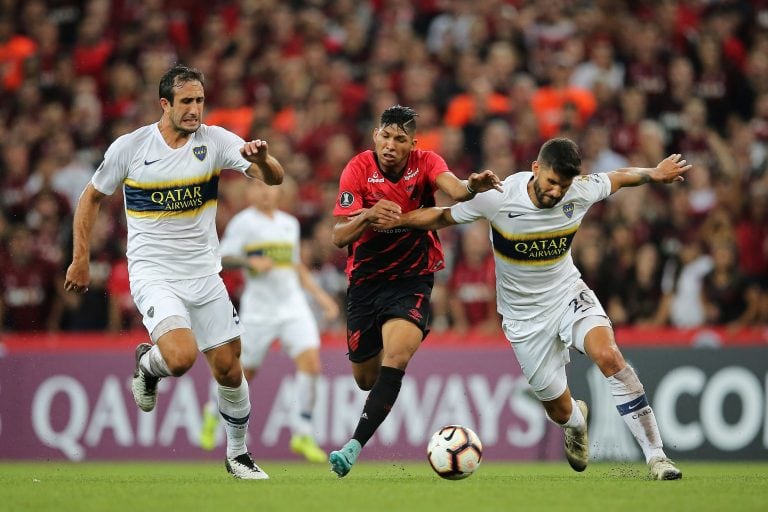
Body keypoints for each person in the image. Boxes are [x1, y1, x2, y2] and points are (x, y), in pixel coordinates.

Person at [375, 137, 687, 481]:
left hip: (568, 294)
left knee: (610, 357)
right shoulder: (499, 197)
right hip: (523, 320)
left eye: (563, 185)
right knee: (559, 408)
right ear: (536, 169)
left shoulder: (578, 191)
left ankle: (657, 458)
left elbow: (620, 176)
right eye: (552, 182)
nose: (556, 192)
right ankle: (575, 423)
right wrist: (399, 220)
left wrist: (653, 173)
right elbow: (442, 216)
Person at [64, 64, 284, 480]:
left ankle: (238, 456)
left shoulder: (216, 141)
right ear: (164, 104)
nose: (195, 110)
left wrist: (265, 159)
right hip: (154, 272)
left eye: (200, 101)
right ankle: (148, 366)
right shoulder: (131, 148)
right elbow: (90, 198)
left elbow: (274, 179)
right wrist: (81, 258)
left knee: (229, 368)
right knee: (181, 358)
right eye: (186, 102)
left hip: (204, 273)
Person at [328, 104, 502, 477]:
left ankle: (353, 446)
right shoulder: (357, 168)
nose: (391, 145)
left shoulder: (426, 163)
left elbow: (455, 189)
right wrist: (367, 216)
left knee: (398, 356)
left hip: (412, 279)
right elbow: (338, 235)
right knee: (365, 379)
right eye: (386, 136)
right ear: (376, 135)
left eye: (400, 139)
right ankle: (368, 415)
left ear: (413, 144)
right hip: (365, 283)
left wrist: (472, 185)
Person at [199, 178, 340, 462]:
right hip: (259, 310)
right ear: (250, 192)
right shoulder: (244, 223)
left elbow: (295, 264)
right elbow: (223, 256)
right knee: (244, 374)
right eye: (258, 187)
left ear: (280, 191)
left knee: (311, 362)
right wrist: (249, 262)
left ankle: (302, 431)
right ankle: (213, 411)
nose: (265, 193)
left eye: (269, 187)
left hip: (292, 305)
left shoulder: (290, 223)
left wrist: (321, 296)